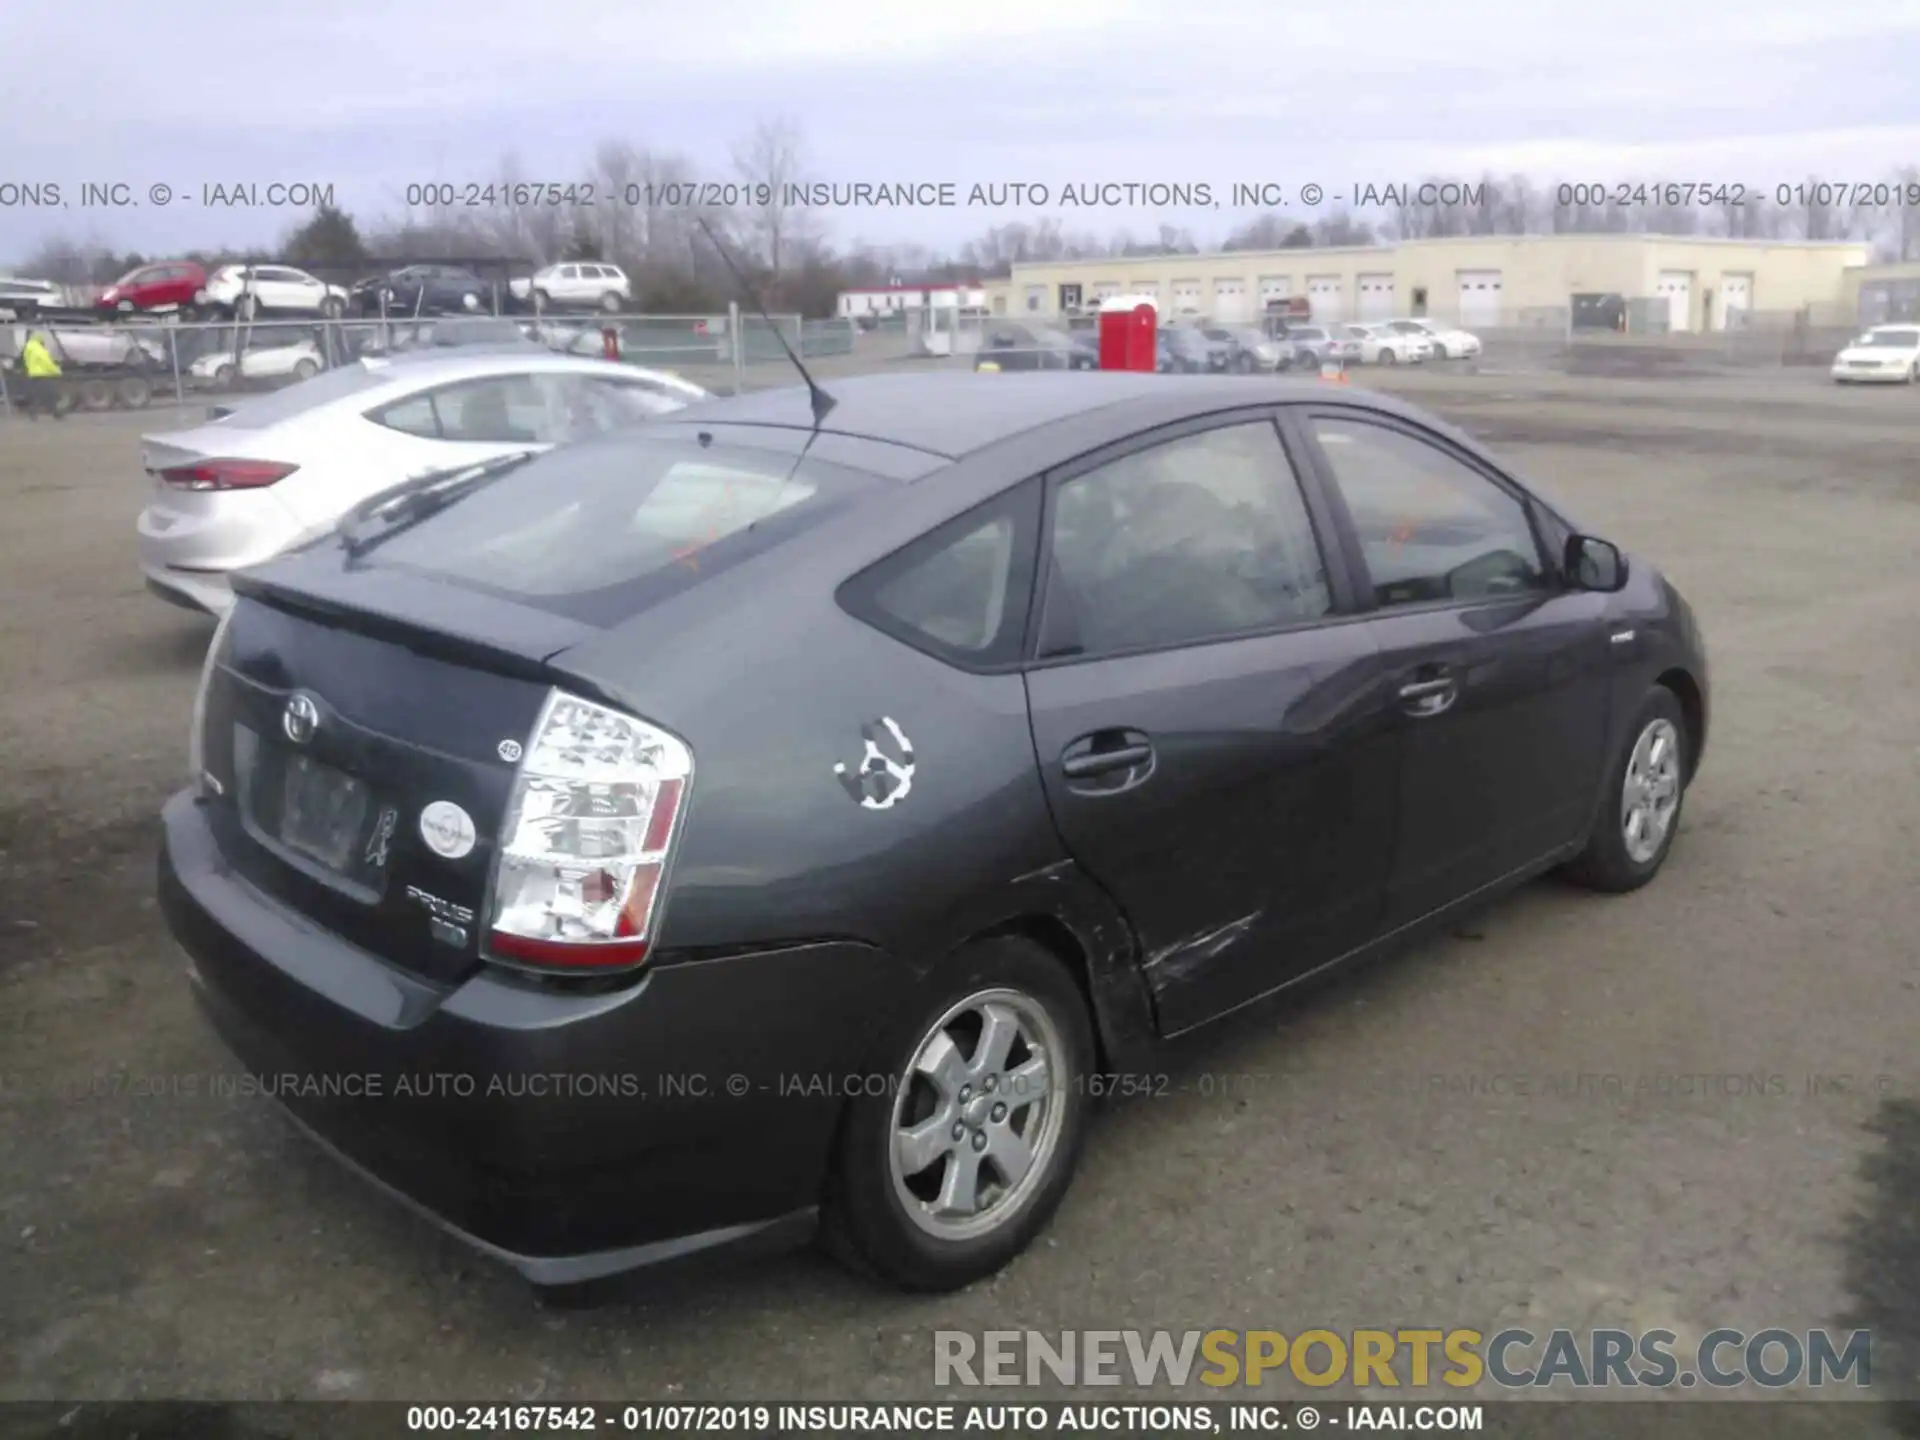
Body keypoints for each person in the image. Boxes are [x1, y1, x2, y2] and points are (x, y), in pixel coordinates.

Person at [18, 328, 65, 419]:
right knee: (51, 394)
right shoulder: (37, 348)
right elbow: (46, 361)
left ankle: (35, 413)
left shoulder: (28, 346)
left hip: (34, 373)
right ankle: (56, 414)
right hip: (43, 374)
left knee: (39, 395)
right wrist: (56, 370)